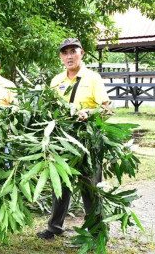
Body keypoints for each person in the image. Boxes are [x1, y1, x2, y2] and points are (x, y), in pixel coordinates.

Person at [36, 38, 111, 240]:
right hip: (61, 140)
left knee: (90, 186)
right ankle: (54, 228)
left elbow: (106, 109)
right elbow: (49, 109)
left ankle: (96, 232)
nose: (69, 56)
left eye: (73, 51)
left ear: (82, 53)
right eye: (65, 52)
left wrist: (89, 113)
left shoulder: (93, 78)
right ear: (61, 56)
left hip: (87, 142)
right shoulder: (56, 81)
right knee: (59, 184)